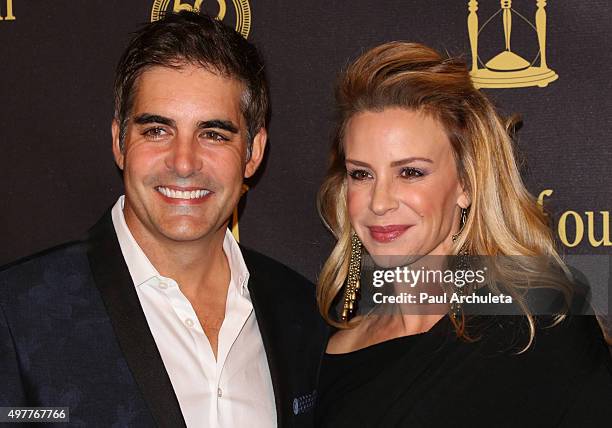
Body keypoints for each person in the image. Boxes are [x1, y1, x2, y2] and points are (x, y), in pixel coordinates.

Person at [0, 11, 326, 428]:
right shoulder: (17, 312)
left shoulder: (300, 312)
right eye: (157, 130)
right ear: (120, 142)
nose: (184, 162)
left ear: (253, 151)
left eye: (214, 134)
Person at [314, 42, 612, 427]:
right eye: (361, 174)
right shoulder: (324, 353)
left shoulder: (539, 325)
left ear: (466, 184)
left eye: (411, 172)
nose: (380, 201)